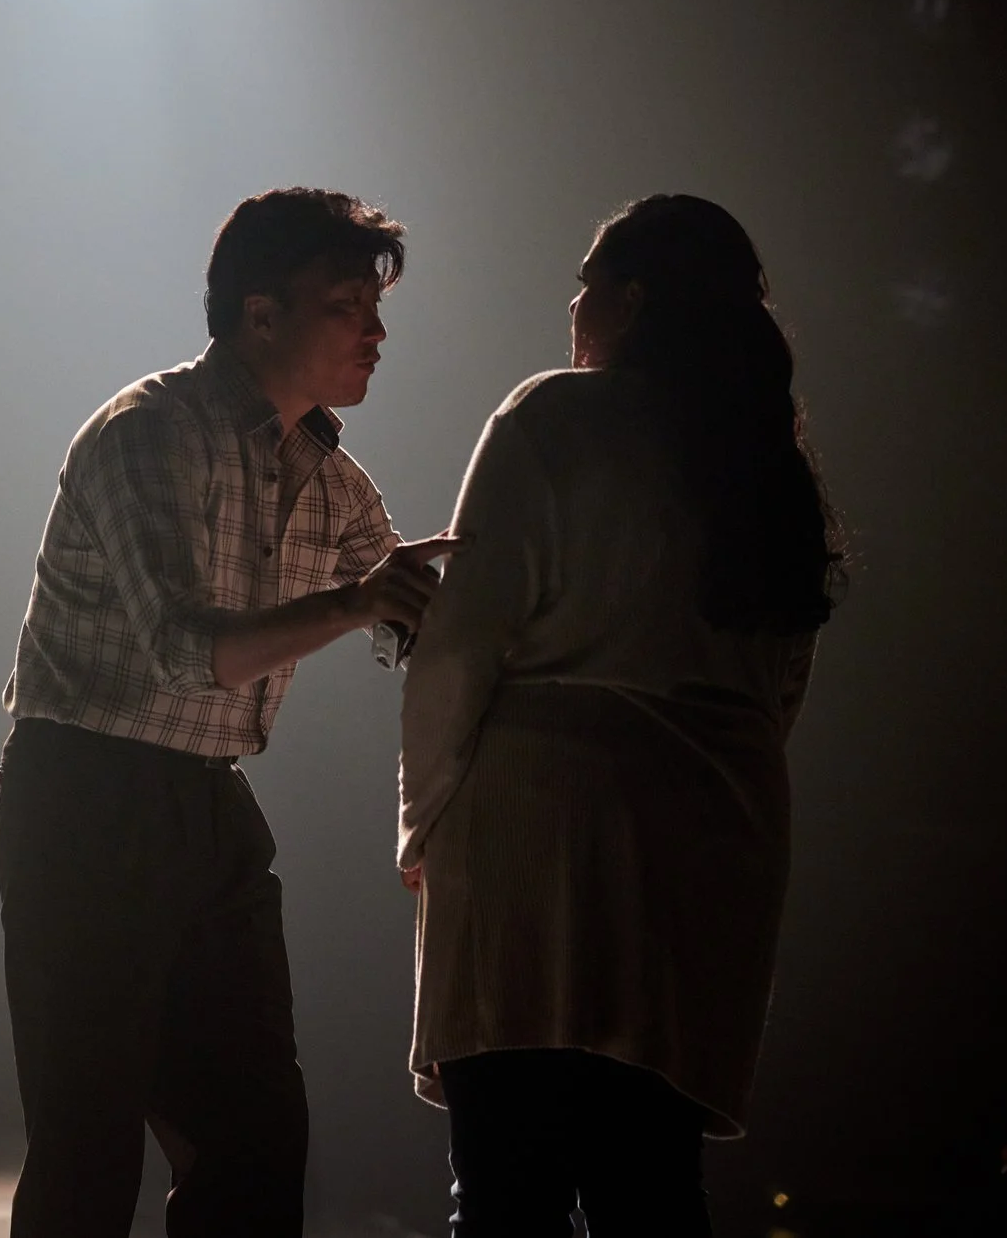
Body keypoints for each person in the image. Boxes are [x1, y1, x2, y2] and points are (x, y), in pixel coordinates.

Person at [0, 187, 460, 1238]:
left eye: (375, 308)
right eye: (346, 306)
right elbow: (183, 650)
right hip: (84, 799)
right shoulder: (148, 434)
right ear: (261, 314)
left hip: (209, 806)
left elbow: (413, 614)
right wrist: (360, 601)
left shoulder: (331, 478)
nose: (376, 333)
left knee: (256, 1137)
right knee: (87, 1150)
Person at [398, 194, 844, 1234]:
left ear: (632, 300)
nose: (571, 304)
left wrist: (422, 815)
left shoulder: (555, 415)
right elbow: (780, 684)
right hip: (712, 830)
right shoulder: (765, 460)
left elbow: (464, 641)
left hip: (540, 816)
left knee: (508, 1184)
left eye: (586, 282)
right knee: (650, 1184)